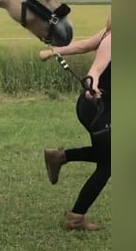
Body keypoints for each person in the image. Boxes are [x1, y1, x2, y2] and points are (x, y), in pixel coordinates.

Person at [39, 17, 111, 230]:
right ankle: (76, 217)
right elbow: (96, 69)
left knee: (104, 155)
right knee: (110, 163)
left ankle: (60, 156)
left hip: (103, 107)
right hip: (98, 106)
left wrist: (54, 51)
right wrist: (93, 83)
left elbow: (85, 45)